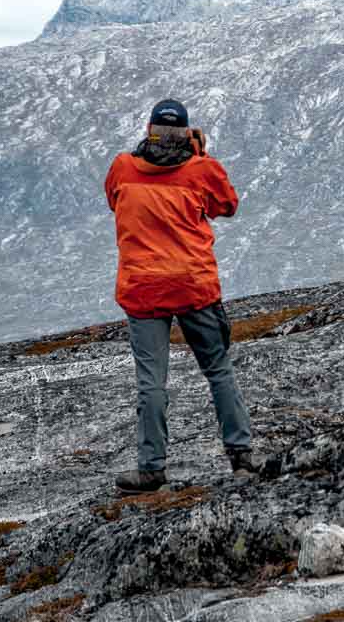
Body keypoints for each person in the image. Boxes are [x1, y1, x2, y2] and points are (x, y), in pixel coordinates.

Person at [104, 98, 257, 491]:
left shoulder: (123, 167)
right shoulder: (200, 168)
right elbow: (227, 205)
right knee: (218, 370)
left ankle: (151, 467)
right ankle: (241, 458)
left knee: (151, 382)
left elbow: (113, 200)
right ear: (186, 133)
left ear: (149, 131)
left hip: (143, 290)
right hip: (193, 286)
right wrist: (199, 154)